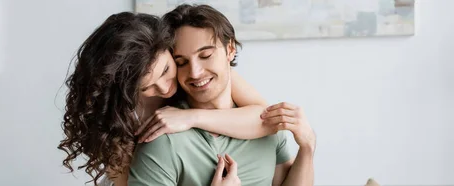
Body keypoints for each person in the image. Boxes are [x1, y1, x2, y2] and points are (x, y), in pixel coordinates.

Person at [58, 12, 275, 186]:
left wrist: (191, 117)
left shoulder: (200, 75)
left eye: (165, 71)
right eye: (147, 87)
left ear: (169, 49)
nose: (164, 88)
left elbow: (266, 118)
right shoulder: (117, 123)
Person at [127, 4, 316, 186]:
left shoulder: (267, 126)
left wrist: (307, 149)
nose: (195, 72)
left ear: (230, 49)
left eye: (206, 55)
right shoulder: (163, 141)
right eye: (182, 62)